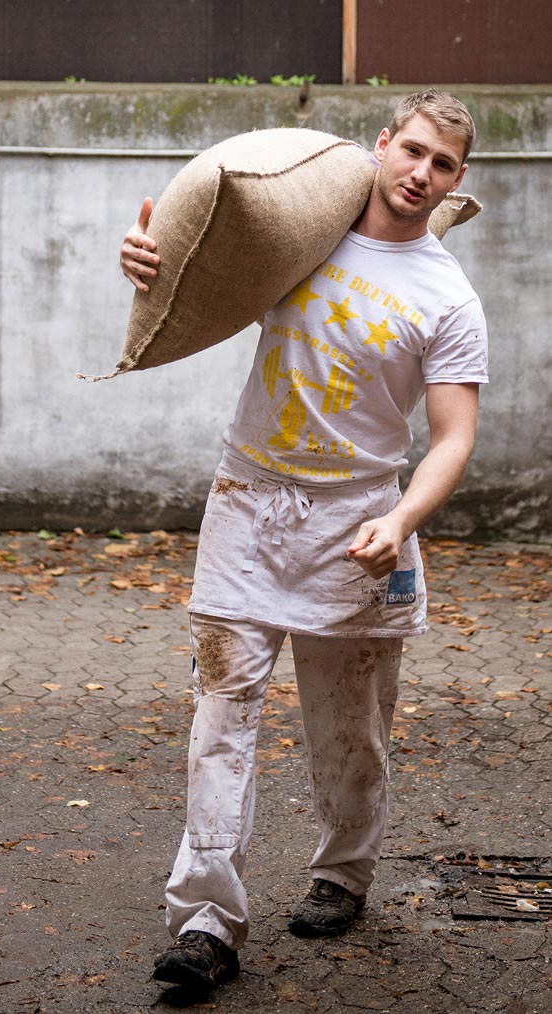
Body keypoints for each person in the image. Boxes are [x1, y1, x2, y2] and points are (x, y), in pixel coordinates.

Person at [120, 89, 488, 995]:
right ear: (381, 145)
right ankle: (206, 919)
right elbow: (204, 277)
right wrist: (147, 263)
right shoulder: (301, 233)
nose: (419, 174)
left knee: (351, 728)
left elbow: (453, 438)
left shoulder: (448, 296)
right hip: (248, 502)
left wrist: (400, 522)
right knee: (220, 717)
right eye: (411, 151)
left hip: (357, 522)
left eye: (441, 164)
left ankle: (342, 873)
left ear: (457, 179)